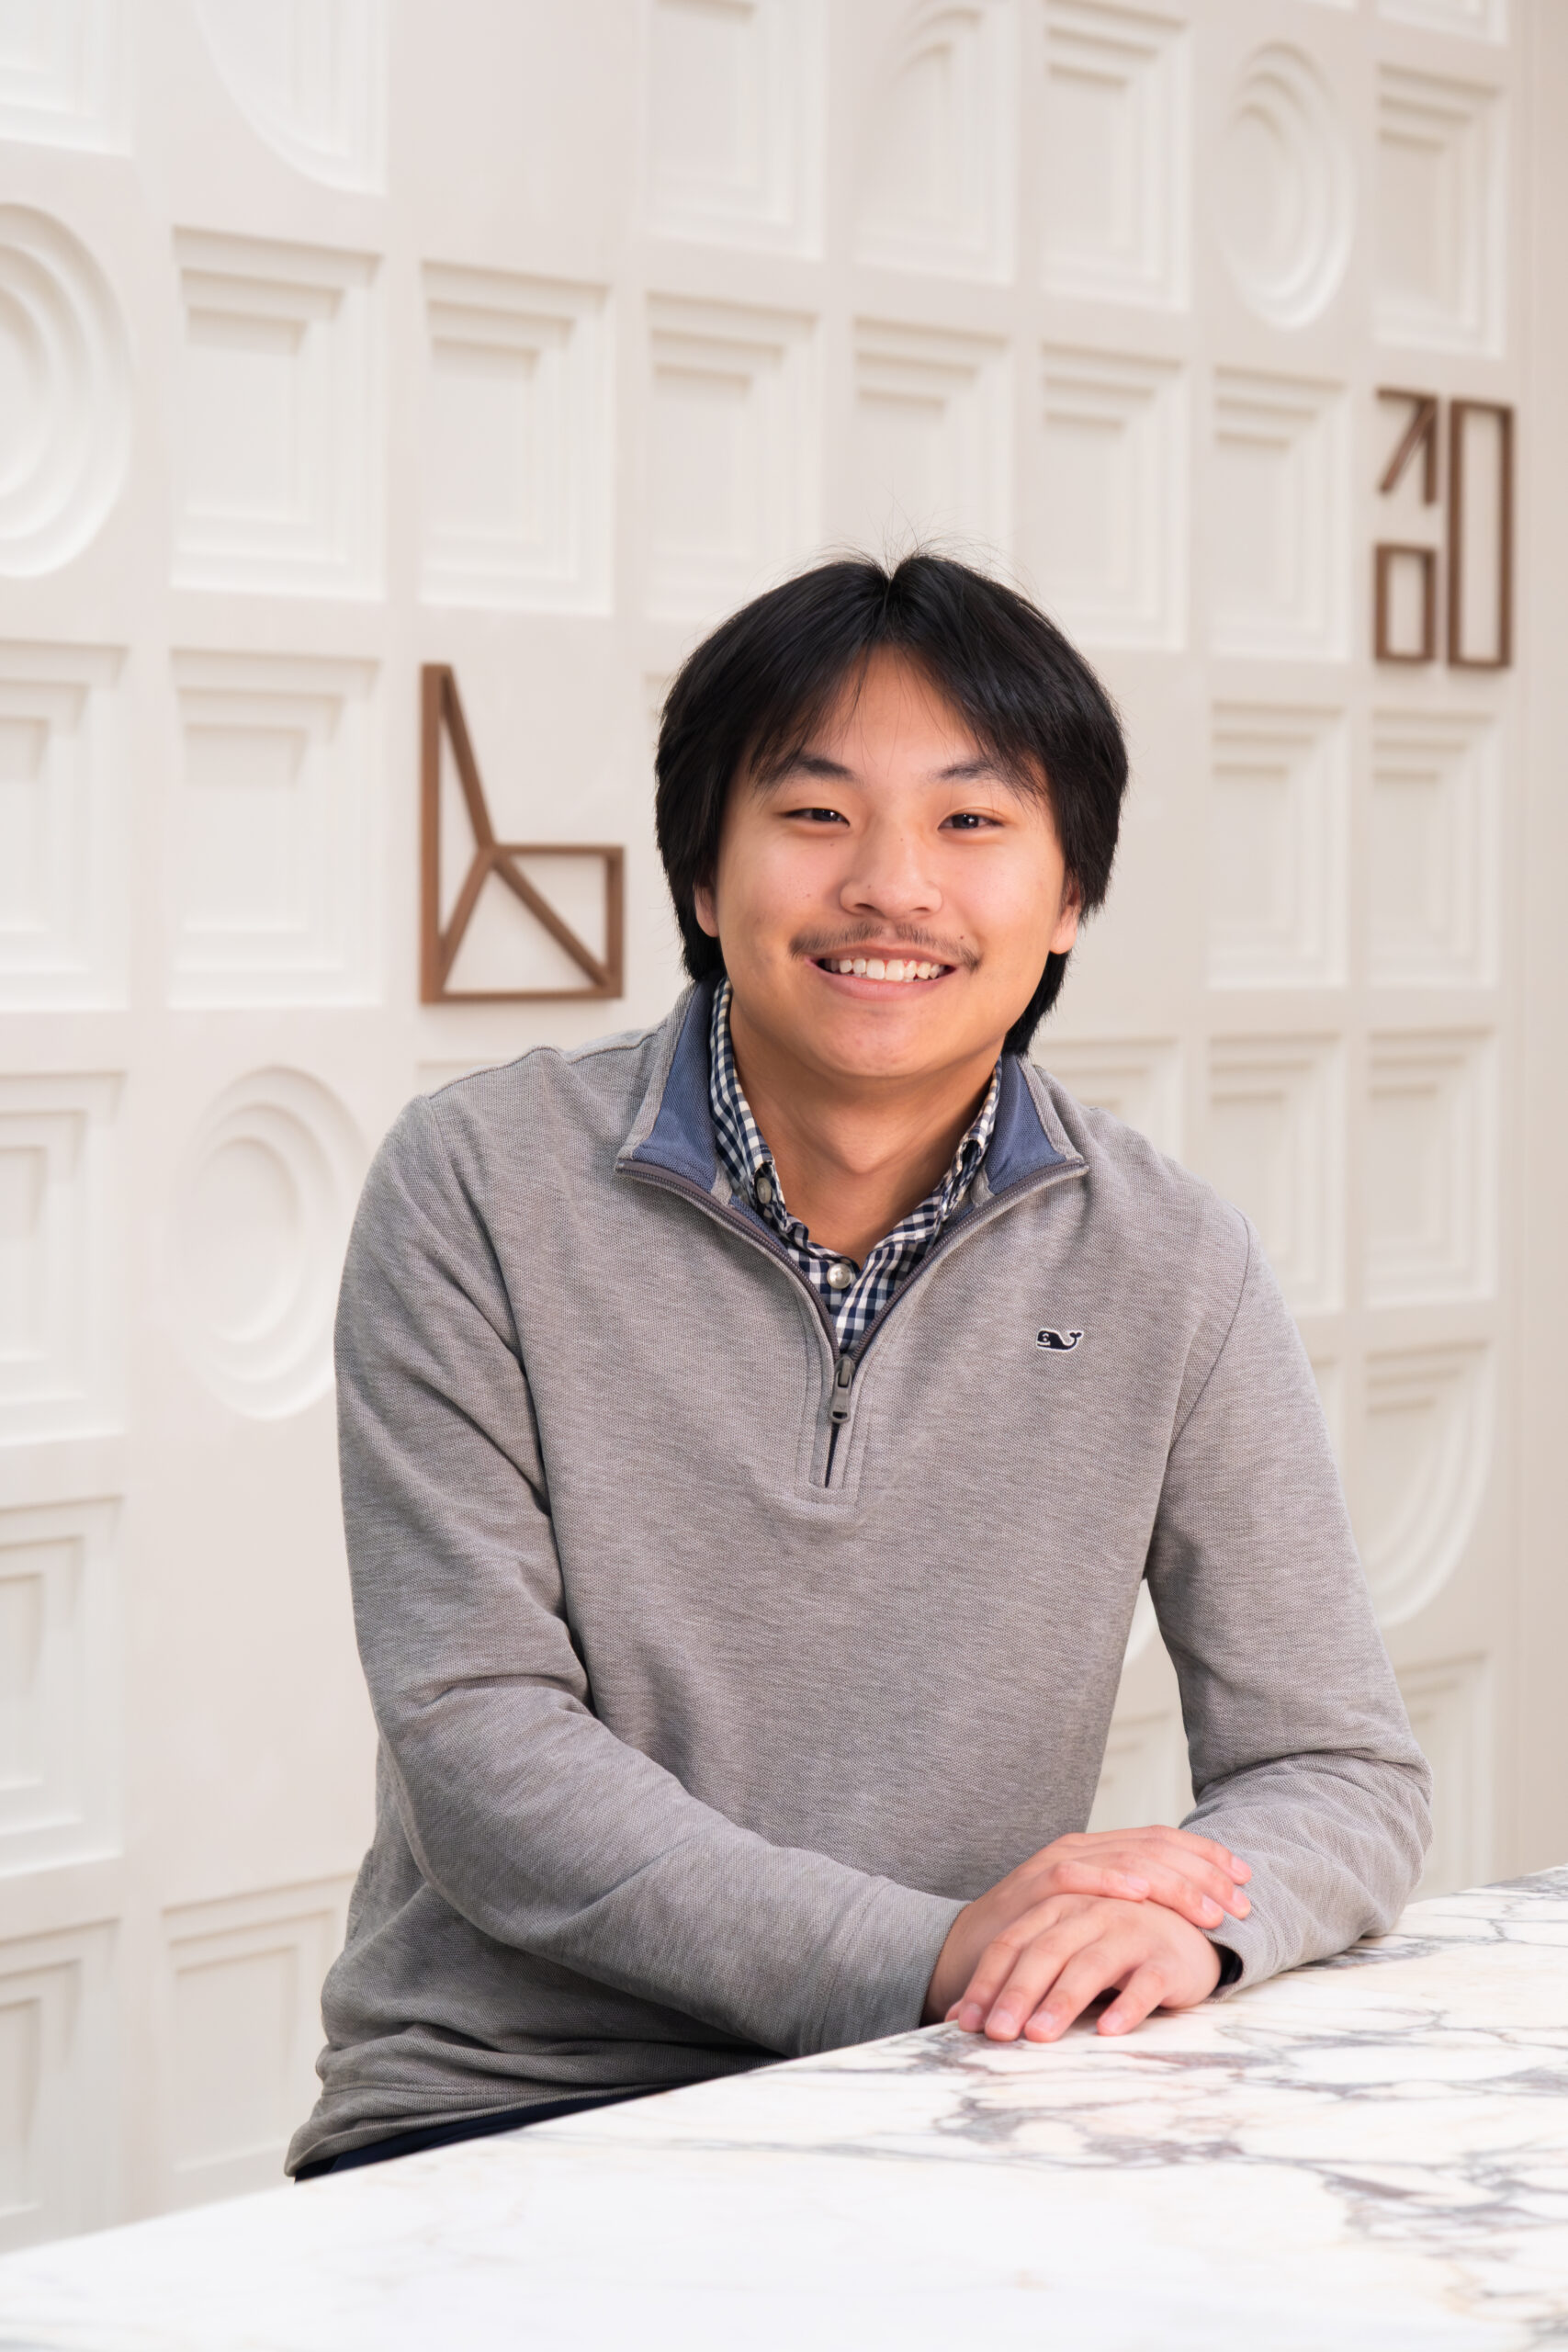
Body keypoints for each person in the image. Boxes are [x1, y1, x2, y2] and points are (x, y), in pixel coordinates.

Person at [288, 553, 1430, 2179]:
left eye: (973, 824)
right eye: (816, 814)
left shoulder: (1173, 1256)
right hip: (512, 2101)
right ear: (703, 874)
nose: (893, 887)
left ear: (1068, 900)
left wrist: (1171, 1927)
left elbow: (1337, 1767)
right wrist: (937, 1949)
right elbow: (482, 1747)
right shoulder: (479, 1181)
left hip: (965, 2090)